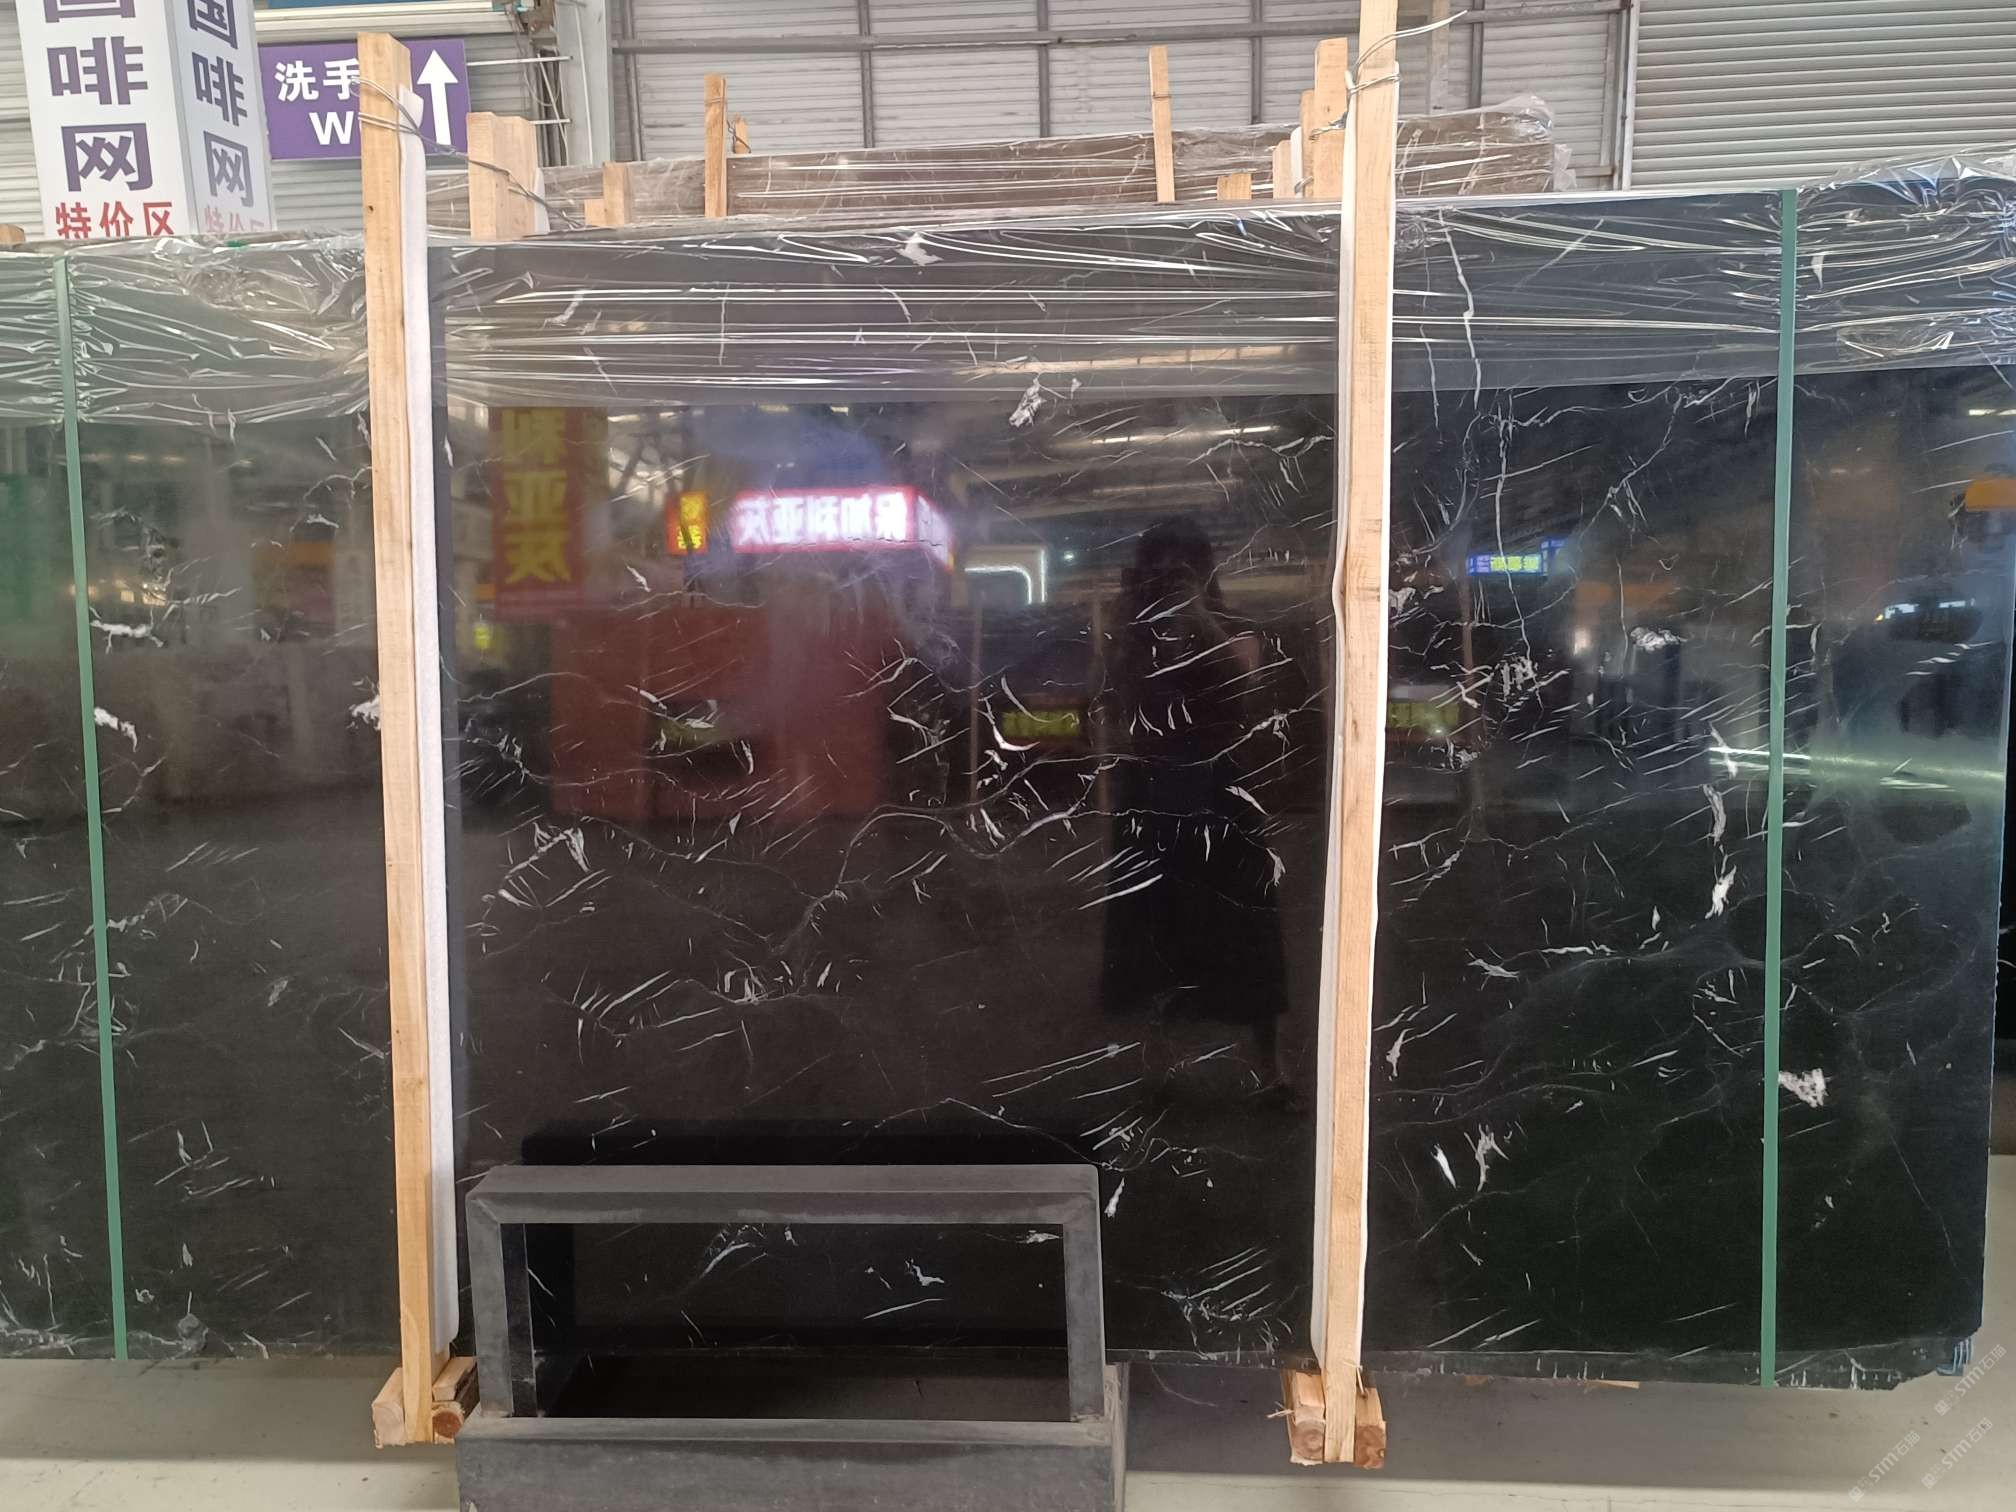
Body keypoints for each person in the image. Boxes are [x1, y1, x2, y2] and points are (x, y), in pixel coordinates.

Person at [1096, 517, 1295, 1104]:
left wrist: (1200, 618)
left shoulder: (1230, 626)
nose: (1170, 581)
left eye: (1182, 571)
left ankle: (1269, 1066)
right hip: (1153, 793)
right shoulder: (1132, 634)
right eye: (1160, 572)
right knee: (1154, 926)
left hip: (1219, 792)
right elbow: (1115, 704)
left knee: (1246, 928)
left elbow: (1245, 685)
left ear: (1205, 574)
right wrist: (1134, 627)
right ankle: (1159, 1065)